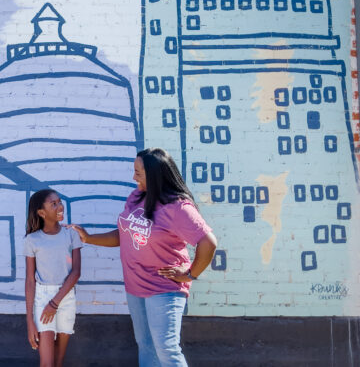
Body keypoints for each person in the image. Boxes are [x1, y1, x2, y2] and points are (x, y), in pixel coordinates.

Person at [69, 148, 217, 367]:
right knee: (146, 346)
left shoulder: (177, 207)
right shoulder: (137, 197)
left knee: (166, 349)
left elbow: (208, 243)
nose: (133, 177)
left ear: (155, 175)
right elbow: (124, 236)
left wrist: (189, 275)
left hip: (163, 288)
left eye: (138, 172)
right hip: (135, 287)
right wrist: (89, 238)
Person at [24, 189, 82, 367]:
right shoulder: (32, 240)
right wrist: (30, 322)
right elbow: (30, 280)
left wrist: (55, 303)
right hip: (42, 299)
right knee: (47, 362)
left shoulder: (71, 234)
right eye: (54, 204)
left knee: (58, 361)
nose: (60, 206)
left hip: (65, 298)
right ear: (41, 213)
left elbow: (76, 272)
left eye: (59, 201)